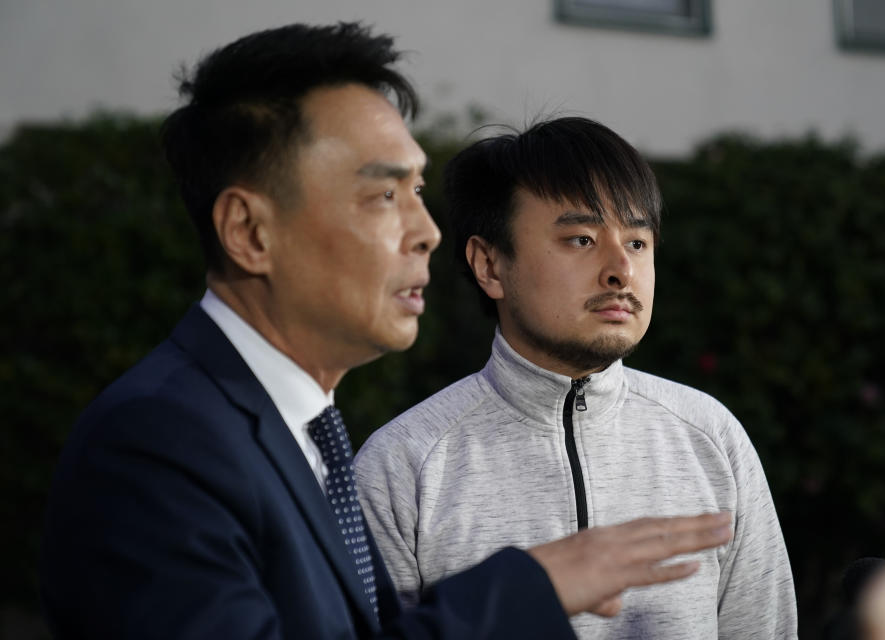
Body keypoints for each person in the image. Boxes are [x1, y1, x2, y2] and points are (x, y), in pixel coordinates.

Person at [39, 23, 734, 640]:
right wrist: (531, 587)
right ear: (250, 231)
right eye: (381, 195)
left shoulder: (300, 435)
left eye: (418, 194)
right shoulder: (156, 444)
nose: (427, 232)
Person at [355, 117, 798, 639]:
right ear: (489, 265)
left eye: (637, 243)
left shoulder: (711, 438)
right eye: (581, 239)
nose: (620, 271)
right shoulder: (402, 468)